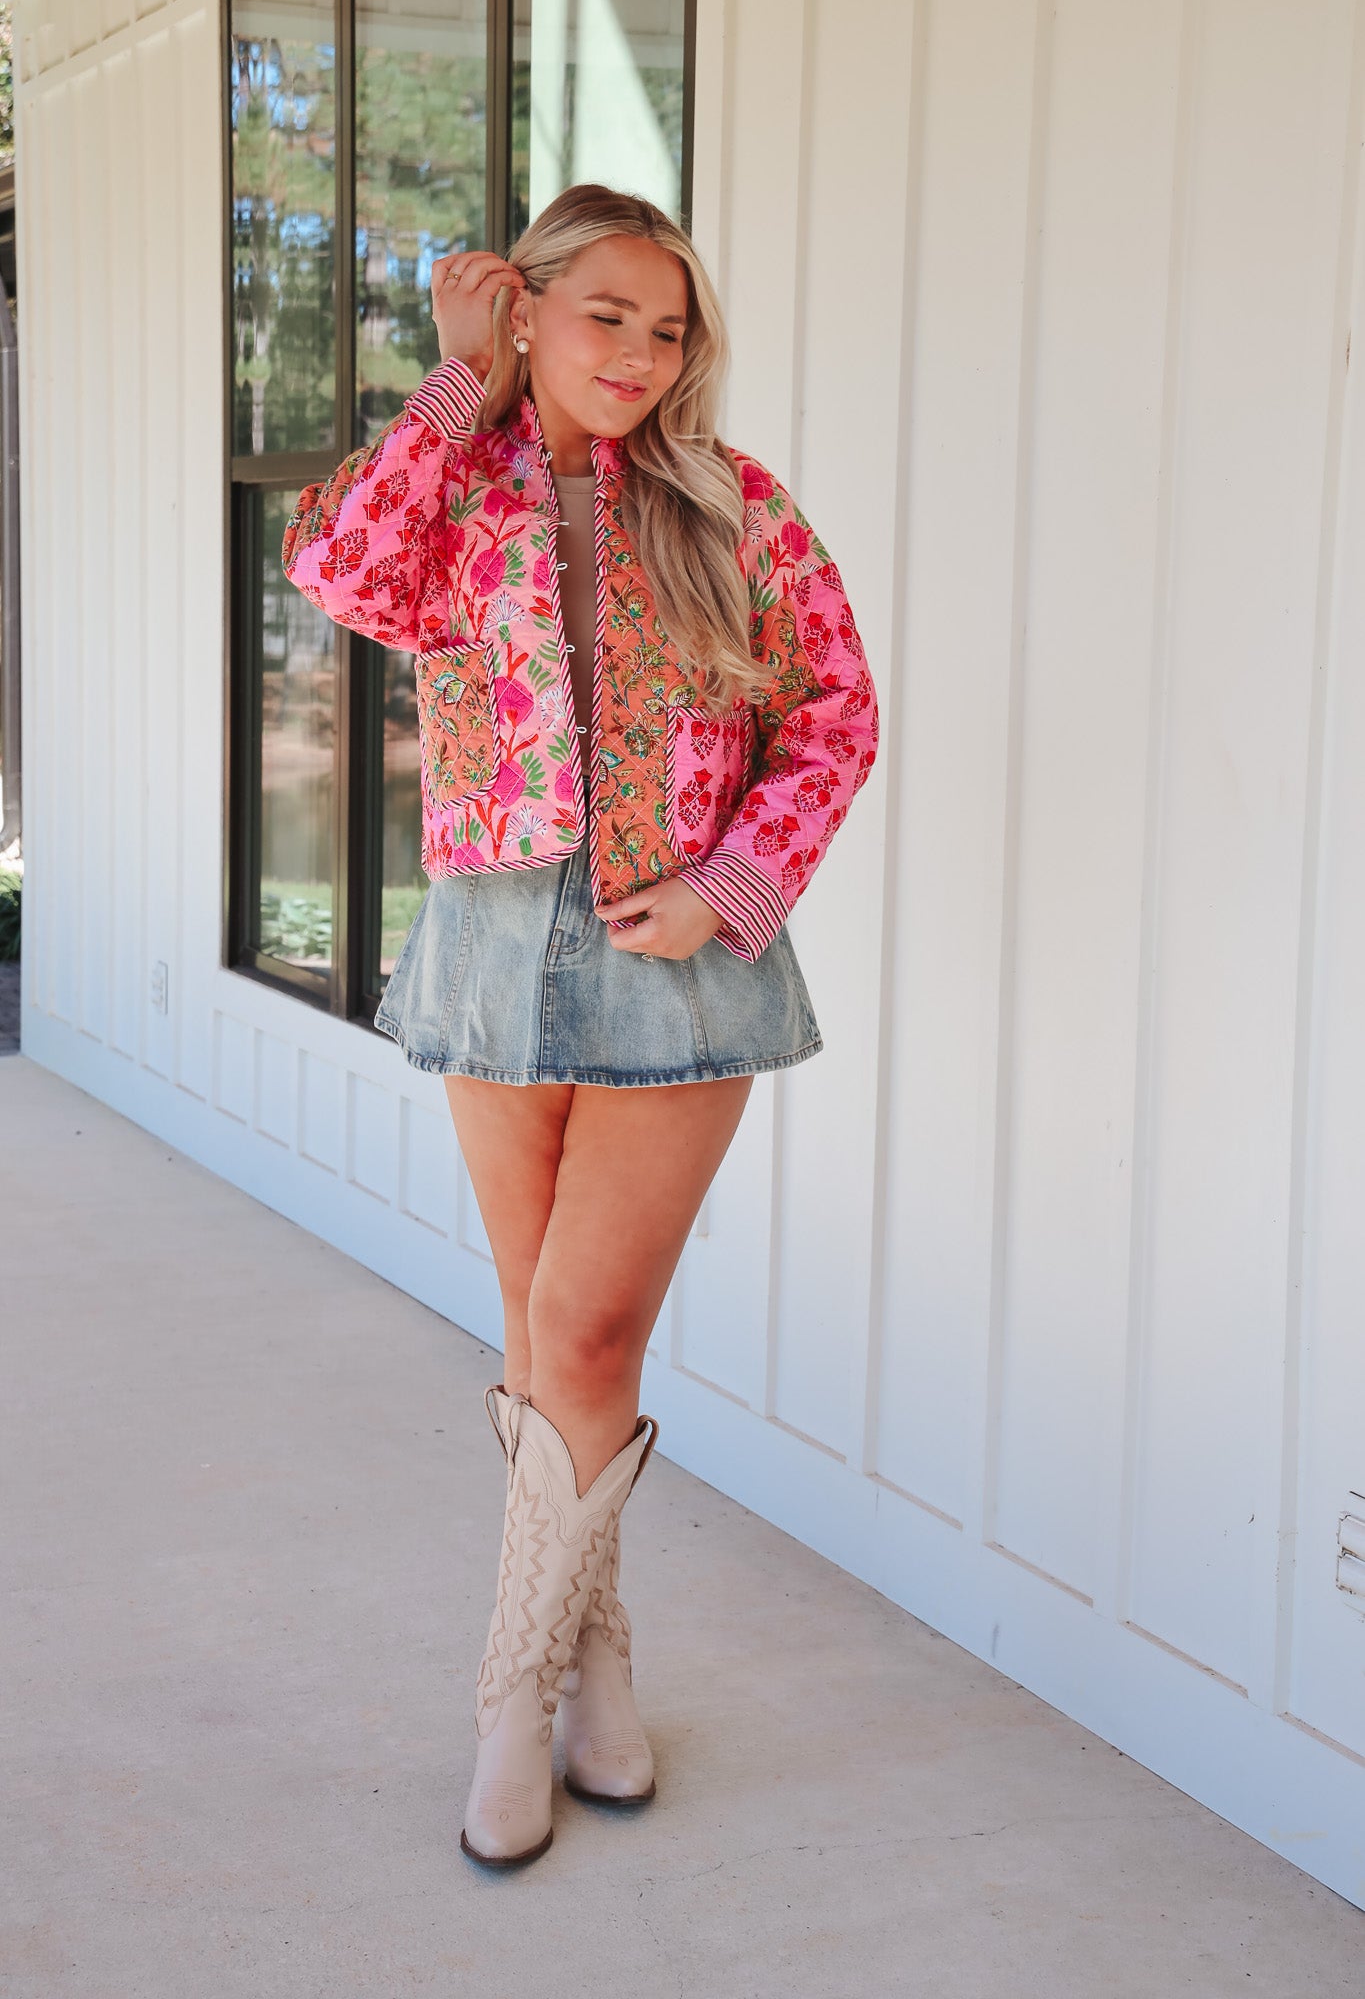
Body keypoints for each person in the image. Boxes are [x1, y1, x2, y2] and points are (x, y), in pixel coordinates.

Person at [280, 182, 879, 1869]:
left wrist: (728, 884)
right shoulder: (456, 488)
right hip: (491, 941)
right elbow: (334, 565)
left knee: (589, 1335)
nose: (638, 352)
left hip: (672, 957)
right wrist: (452, 378)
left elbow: (834, 711)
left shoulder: (731, 505)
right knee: (539, 1342)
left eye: (666, 327)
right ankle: (595, 1661)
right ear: (526, 311)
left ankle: (505, 1703)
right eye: (602, 313)